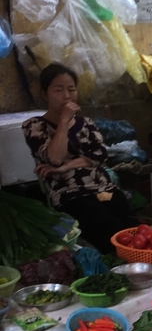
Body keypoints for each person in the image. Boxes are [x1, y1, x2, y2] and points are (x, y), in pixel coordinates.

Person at [22, 63, 137, 253]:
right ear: (45, 94)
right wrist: (64, 121)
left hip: (102, 186)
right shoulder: (34, 126)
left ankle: (141, 260)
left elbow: (100, 155)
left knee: (132, 228)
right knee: (110, 232)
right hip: (69, 192)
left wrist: (66, 167)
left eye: (71, 89)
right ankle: (121, 261)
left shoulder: (87, 123)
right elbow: (55, 159)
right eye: (58, 90)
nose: (66, 96)